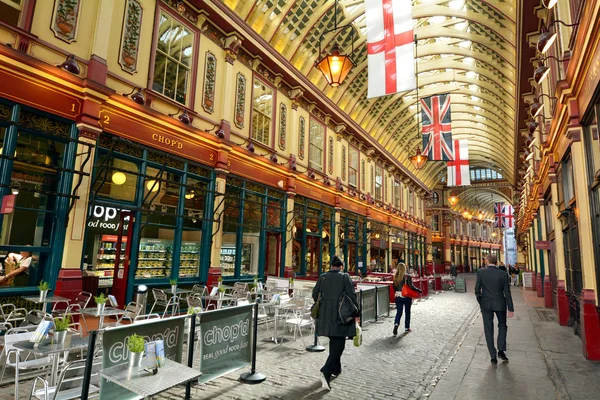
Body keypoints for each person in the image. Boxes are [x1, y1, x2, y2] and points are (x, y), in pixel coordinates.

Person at [312, 255, 360, 391]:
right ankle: (326, 370)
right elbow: (351, 296)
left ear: (331, 266)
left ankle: (336, 368)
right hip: (340, 315)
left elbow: (315, 294)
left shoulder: (323, 277)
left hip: (326, 316)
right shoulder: (344, 277)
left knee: (335, 341)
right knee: (339, 345)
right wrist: (357, 313)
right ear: (341, 267)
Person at [475, 254, 514, 364]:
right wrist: (510, 308)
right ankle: (501, 350)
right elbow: (507, 292)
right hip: (500, 303)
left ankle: (493, 355)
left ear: (487, 261)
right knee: (502, 325)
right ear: (496, 262)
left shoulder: (481, 272)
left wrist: (481, 301)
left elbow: (477, 290)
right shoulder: (503, 274)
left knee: (488, 328)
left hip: (486, 304)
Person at [392, 262, 422, 335]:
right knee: (407, 312)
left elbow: (394, 287)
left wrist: (397, 292)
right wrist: (418, 290)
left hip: (398, 296)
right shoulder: (407, 277)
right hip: (406, 296)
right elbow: (411, 286)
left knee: (399, 312)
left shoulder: (395, 276)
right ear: (404, 268)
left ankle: (396, 324)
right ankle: (406, 327)